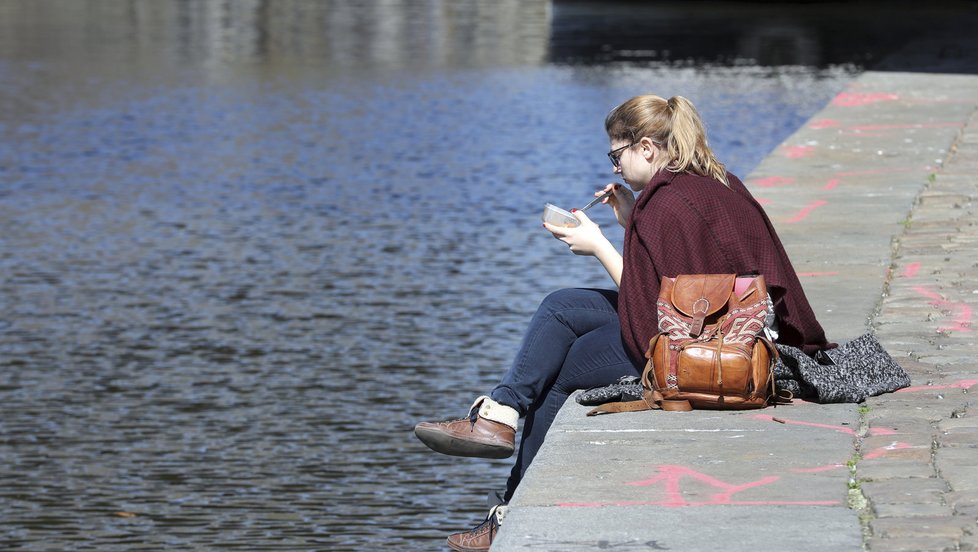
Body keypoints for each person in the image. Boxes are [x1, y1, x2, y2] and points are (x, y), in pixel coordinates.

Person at [414, 94, 834, 551]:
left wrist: (598, 245)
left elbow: (665, 311)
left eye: (617, 154)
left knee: (561, 374)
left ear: (647, 148)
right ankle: (500, 415)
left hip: (705, 347)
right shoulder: (713, 182)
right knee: (561, 306)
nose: (614, 167)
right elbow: (686, 282)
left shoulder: (667, 204)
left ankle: (509, 510)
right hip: (735, 328)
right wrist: (632, 219)